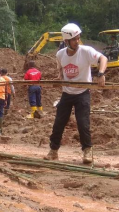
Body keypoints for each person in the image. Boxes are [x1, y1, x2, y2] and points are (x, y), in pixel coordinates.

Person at [46, 23, 107, 164]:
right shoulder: (60, 54)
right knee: (58, 123)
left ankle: (87, 151)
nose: (77, 41)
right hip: (67, 93)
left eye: (78, 38)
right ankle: (53, 151)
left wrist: (101, 73)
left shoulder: (85, 51)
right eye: (74, 39)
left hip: (82, 93)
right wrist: (59, 79)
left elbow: (103, 59)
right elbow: (61, 71)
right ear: (66, 41)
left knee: (83, 123)